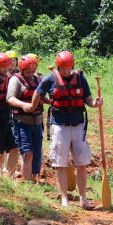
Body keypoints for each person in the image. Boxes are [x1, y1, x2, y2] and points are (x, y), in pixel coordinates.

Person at [37, 50, 102, 208]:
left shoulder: (80, 78)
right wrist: (39, 104)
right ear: (58, 66)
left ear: (72, 65)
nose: (66, 71)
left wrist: (95, 103)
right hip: (59, 126)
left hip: (78, 125)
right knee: (60, 163)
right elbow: (38, 93)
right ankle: (64, 198)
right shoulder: (50, 79)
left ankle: (83, 198)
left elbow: (88, 99)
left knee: (82, 163)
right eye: (63, 68)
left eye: (68, 67)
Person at [7, 55, 47, 182]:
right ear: (21, 69)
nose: (30, 74)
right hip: (21, 122)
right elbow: (10, 98)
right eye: (28, 72)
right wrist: (23, 104)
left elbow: (42, 96)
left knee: (36, 152)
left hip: (37, 122)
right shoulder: (15, 80)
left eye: (32, 71)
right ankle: (27, 180)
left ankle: (34, 178)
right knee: (27, 152)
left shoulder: (38, 79)